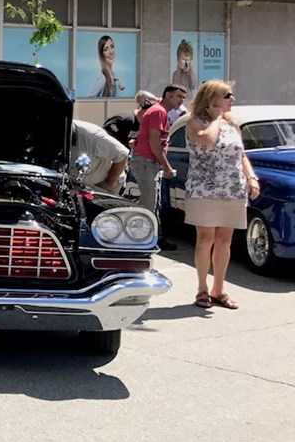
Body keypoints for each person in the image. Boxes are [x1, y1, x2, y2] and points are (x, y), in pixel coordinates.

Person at [185, 80, 258, 310]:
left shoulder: (233, 124)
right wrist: (216, 118)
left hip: (232, 189)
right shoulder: (195, 122)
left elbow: (241, 154)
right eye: (227, 95)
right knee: (205, 239)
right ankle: (202, 289)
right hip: (204, 188)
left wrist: (251, 177)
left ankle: (219, 289)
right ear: (212, 99)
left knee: (225, 240)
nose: (232, 99)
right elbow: (207, 139)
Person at [129, 84, 186, 250]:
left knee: (154, 203)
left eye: (183, 97)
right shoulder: (158, 111)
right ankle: (139, 241)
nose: (181, 101)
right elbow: (154, 141)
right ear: (168, 95)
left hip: (149, 162)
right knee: (148, 204)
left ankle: (155, 238)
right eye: (178, 96)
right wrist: (166, 166)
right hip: (146, 162)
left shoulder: (159, 112)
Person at [71, 120, 129, 194]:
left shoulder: (91, 136)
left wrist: (109, 183)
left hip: (104, 184)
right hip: (79, 186)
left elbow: (122, 154)